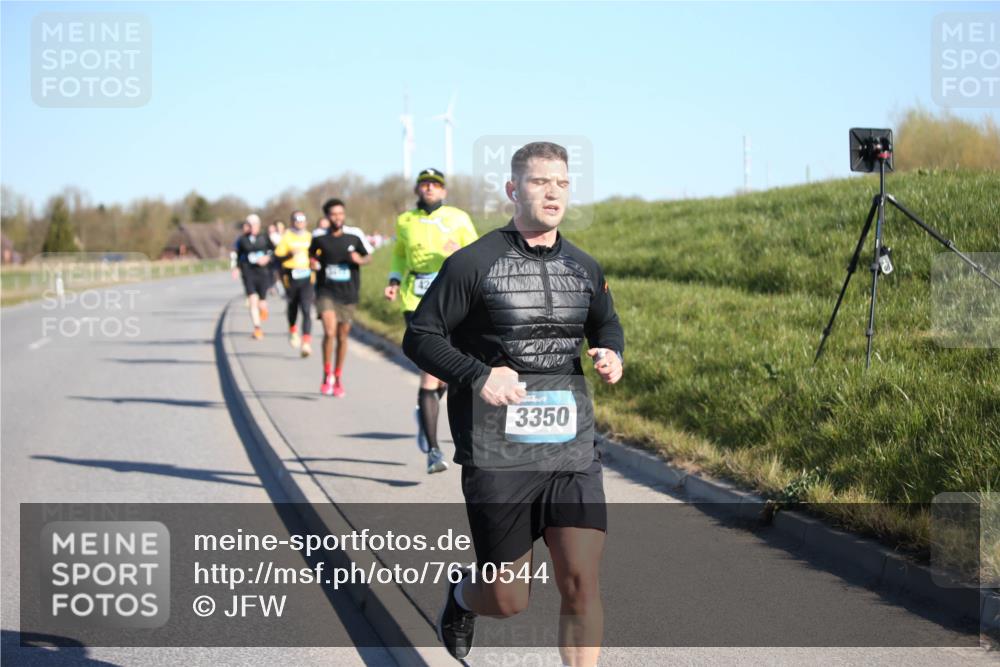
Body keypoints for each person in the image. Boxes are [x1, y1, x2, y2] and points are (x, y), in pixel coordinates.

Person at [402, 142, 624, 664]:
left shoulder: (585, 267)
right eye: (539, 181)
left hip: (571, 447)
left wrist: (612, 350)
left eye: (562, 183)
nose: (553, 192)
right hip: (498, 452)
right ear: (512, 189)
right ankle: (462, 597)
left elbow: (605, 320)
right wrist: (478, 374)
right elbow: (421, 337)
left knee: (581, 581)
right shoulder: (471, 264)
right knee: (507, 598)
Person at [386, 168, 478, 473]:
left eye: (435, 185)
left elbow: (479, 254)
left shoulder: (458, 218)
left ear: (444, 191)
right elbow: (399, 254)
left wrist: (461, 252)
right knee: (430, 373)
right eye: (424, 184)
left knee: (444, 373)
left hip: (452, 300)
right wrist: (394, 278)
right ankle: (434, 452)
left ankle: (427, 411)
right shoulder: (405, 220)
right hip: (416, 299)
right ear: (417, 189)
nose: (429, 188)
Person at [310, 198, 373, 396]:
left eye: (340, 213)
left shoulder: (354, 235)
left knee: (342, 336)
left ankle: (338, 376)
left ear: (344, 215)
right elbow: (312, 255)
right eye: (333, 214)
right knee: (329, 332)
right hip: (325, 291)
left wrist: (359, 259)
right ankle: (326, 373)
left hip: (348, 293)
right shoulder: (319, 237)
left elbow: (369, 256)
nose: (337, 217)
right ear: (327, 216)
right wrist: (312, 262)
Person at [273, 210, 315, 357]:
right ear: (292, 222)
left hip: (307, 277)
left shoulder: (310, 237)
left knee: (306, 308)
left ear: (306, 222)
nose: (300, 222)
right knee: (293, 306)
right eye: (297, 220)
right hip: (290, 276)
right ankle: (292, 330)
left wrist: (314, 261)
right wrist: (290, 253)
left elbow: (318, 254)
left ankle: (306, 343)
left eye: (302, 220)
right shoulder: (287, 237)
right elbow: (278, 257)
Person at [234, 213, 274, 339]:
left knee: (262, 302)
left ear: (259, 225)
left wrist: (267, 258)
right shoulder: (242, 240)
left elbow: (274, 251)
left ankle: (263, 309)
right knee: (252, 301)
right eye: (250, 224)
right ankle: (257, 328)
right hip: (248, 272)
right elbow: (238, 255)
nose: (252, 227)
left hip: (263, 273)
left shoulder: (264, 238)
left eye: (255, 224)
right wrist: (236, 267)